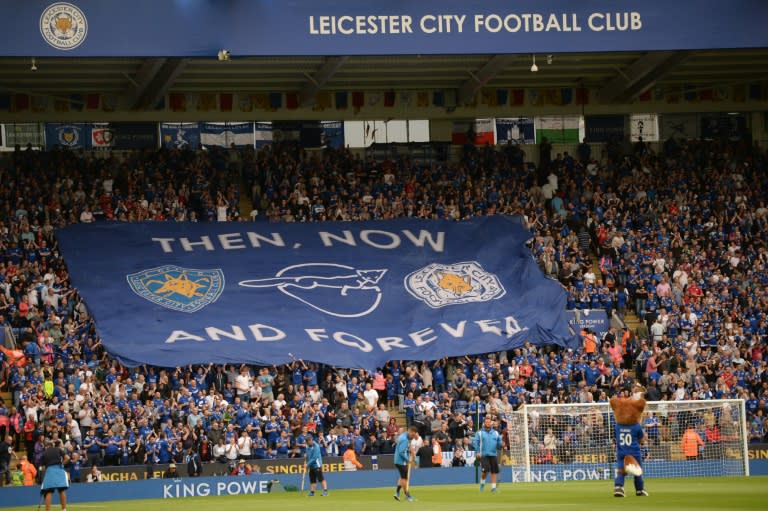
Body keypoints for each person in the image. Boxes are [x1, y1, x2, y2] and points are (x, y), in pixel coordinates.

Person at [613, 417, 648, 497]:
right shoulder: (636, 426)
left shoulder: (618, 426)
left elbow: (616, 437)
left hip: (621, 451)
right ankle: (639, 490)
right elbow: (642, 440)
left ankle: (618, 487)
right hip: (634, 452)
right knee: (637, 471)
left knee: (621, 471)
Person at [473, 417, 502, 492]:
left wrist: (501, 444)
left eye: (489, 422)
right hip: (484, 454)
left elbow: (499, 442)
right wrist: (477, 452)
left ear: (491, 423)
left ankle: (493, 488)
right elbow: (475, 443)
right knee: (485, 471)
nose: (488, 423)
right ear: (484, 423)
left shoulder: (495, 433)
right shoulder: (480, 433)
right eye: (486, 422)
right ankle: (482, 484)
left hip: (493, 454)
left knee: (494, 471)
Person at [40, 440, 70, 511]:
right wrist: (62, 464)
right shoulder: (58, 449)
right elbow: (67, 458)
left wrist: (43, 469)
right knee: (61, 490)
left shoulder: (44, 453)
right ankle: (64, 510)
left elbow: (42, 467)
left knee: (49, 492)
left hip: (50, 471)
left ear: (47, 446)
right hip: (59, 470)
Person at [393, 426, 418, 502]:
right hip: (401, 461)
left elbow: (409, 447)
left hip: (398, 461)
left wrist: (414, 457)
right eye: (413, 435)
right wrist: (408, 460)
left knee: (402, 477)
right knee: (405, 479)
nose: (413, 437)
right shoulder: (404, 439)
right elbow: (401, 452)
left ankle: (397, 493)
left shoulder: (405, 436)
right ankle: (407, 495)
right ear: (410, 432)